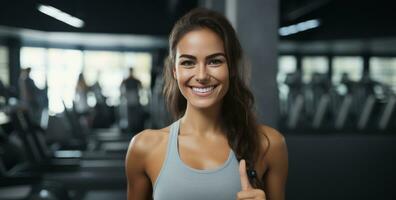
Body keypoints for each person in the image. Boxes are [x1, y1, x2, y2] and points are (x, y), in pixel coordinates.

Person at [125, 8, 288, 200]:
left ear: (232, 68)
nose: (201, 76)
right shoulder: (144, 147)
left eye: (214, 61)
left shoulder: (269, 144)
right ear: (174, 71)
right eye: (188, 63)